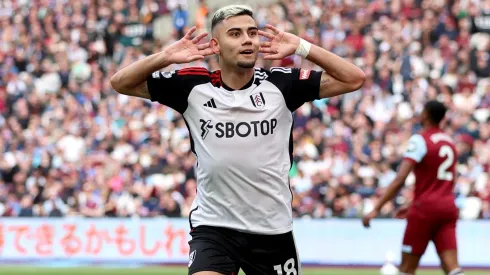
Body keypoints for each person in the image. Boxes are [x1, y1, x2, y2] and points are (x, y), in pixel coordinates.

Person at [111, 4, 365, 275]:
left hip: (272, 230)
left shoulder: (281, 84)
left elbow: (354, 79)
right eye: (235, 34)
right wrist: (165, 57)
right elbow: (120, 83)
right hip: (214, 227)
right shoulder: (192, 86)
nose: (247, 39)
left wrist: (302, 47)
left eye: (252, 33)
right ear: (216, 45)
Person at [362, 100, 464, 275]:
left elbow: (400, 178)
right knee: (452, 268)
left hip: (424, 210)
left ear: (425, 114)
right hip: (447, 208)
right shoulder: (450, 142)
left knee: (407, 269)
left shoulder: (419, 140)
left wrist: (376, 208)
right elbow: (443, 182)